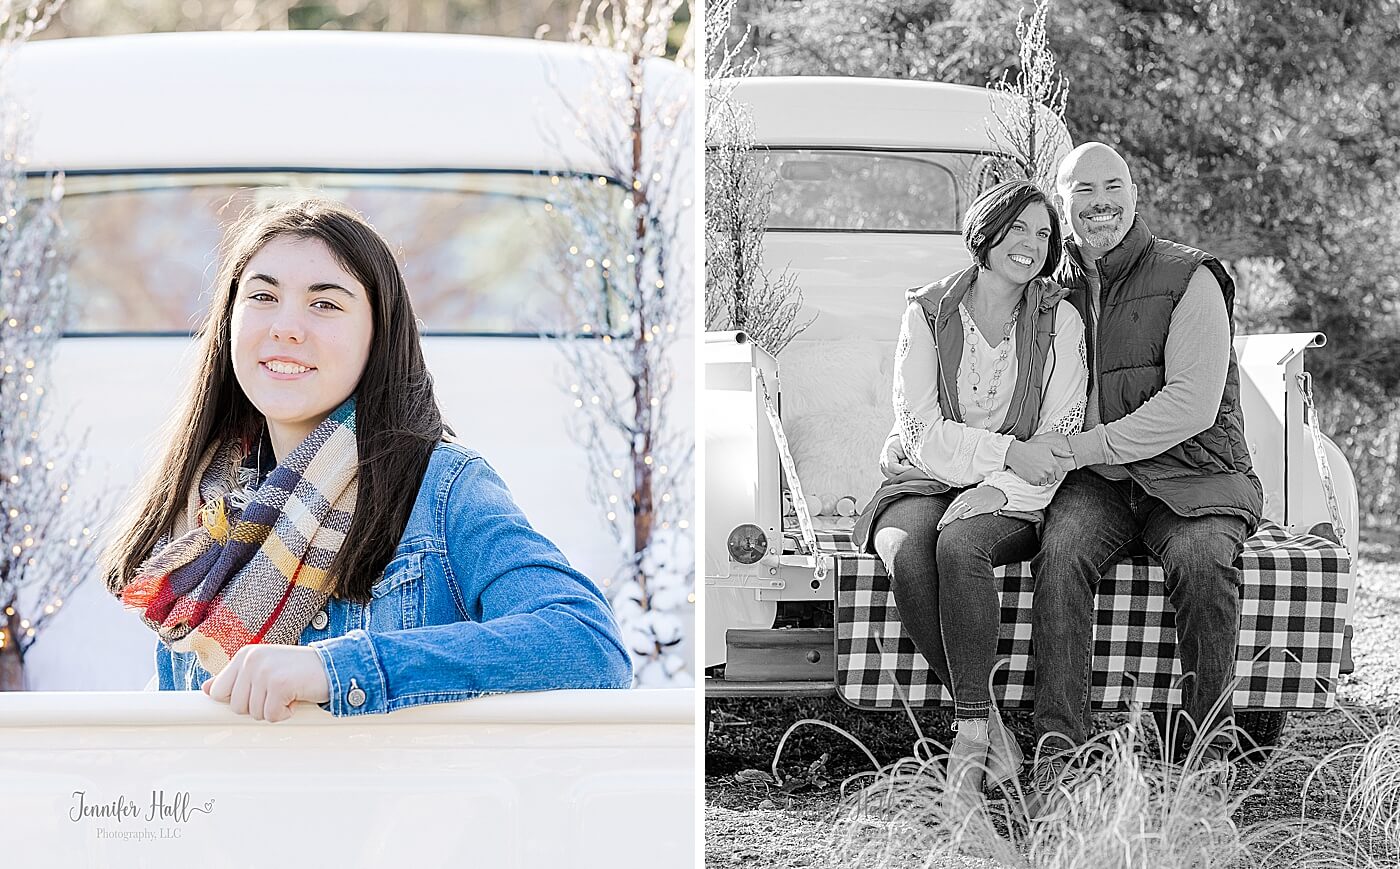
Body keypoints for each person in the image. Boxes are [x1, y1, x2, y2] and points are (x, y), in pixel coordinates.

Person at [103, 197, 631, 721]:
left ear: (379, 335)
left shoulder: (441, 489)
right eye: (262, 296)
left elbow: (587, 643)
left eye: (325, 303)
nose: (286, 326)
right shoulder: (202, 518)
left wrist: (334, 670)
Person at [1027, 142, 1263, 793]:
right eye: (1083, 190)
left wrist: (1084, 449)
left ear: (1134, 192)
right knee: (1062, 549)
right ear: (1063, 199)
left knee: (1201, 560)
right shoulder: (1050, 289)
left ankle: (1203, 759)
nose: (1099, 203)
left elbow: (1191, 404)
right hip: (1101, 485)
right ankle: (1059, 753)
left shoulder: (1190, 276)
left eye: (1112, 186)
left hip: (1195, 473)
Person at [852, 180, 1088, 803]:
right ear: (986, 232)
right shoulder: (927, 313)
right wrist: (1005, 450)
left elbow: (1060, 427)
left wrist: (1001, 482)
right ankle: (987, 728)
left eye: (1044, 234)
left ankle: (967, 733)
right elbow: (920, 432)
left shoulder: (1058, 318)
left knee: (960, 545)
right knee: (906, 550)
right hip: (926, 473)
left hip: (1020, 488)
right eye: (1018, 229)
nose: (1031, 245)